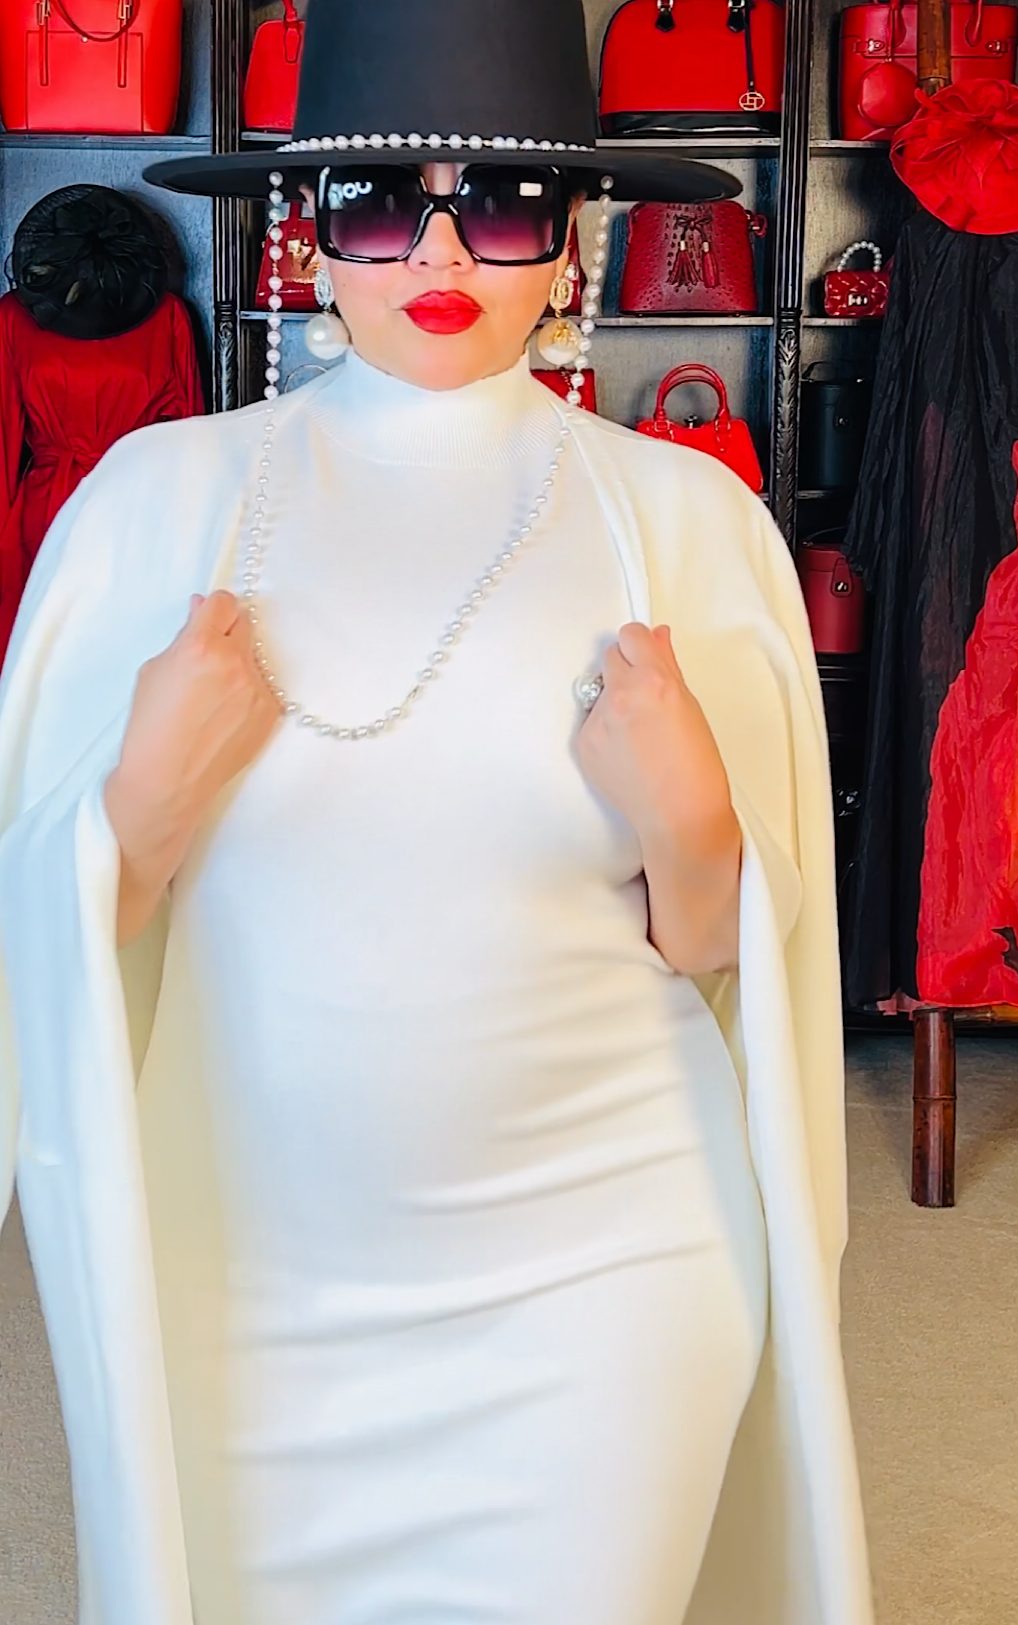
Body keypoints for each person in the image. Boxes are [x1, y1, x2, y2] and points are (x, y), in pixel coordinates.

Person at [0, 2, 874, 1623]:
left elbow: (731, 954)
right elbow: (35, 952)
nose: (442, 250)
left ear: (575, 237)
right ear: (307, 231)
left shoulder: (688, 521)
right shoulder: (153, 511)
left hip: (609, 1283)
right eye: (382, 200)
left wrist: (692, 815)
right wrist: (141, 804)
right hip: (247, 1279)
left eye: (509, 201)